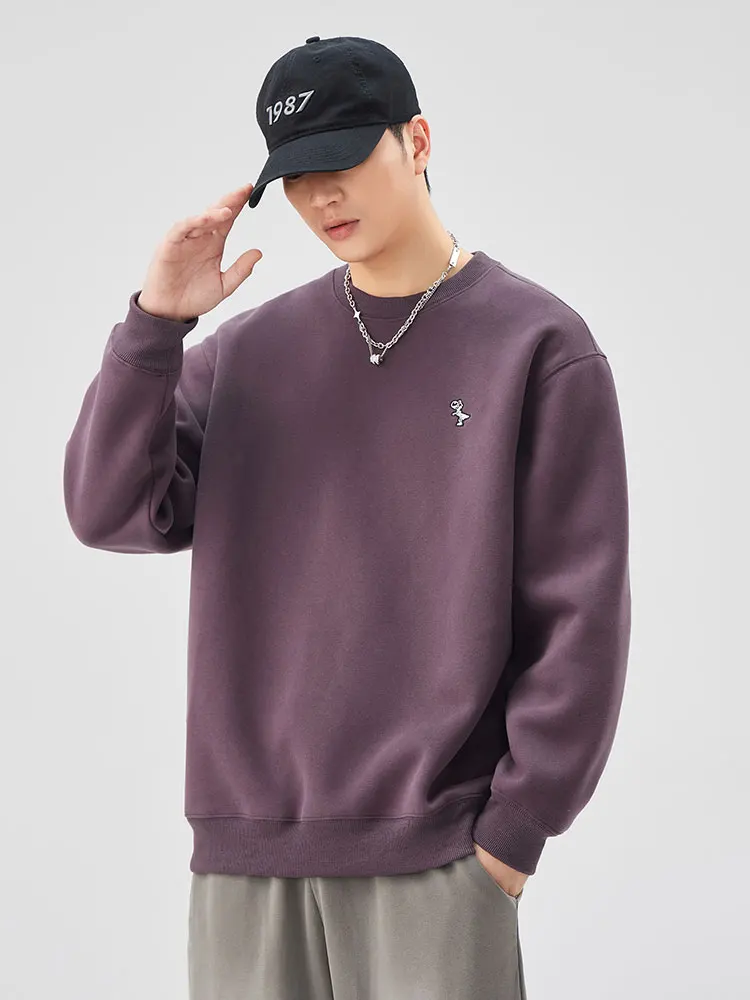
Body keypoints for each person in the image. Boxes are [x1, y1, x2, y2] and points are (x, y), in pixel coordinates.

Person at [63, 34, 631, 1000]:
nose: (323, 195)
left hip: (438, 857)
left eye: (345, 158)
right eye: (297, 175)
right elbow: (109, 510)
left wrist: (512, 836)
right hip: (246, 860)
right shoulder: (246, 356)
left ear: (418, 140)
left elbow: (580, 614)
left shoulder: (538, 347)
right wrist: (156, 326)